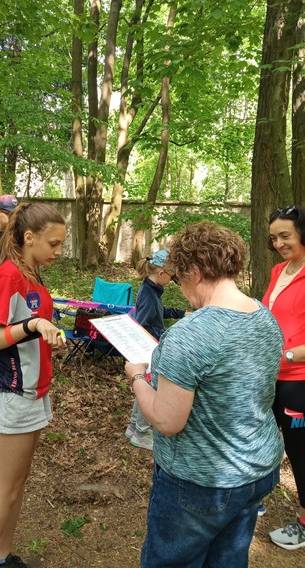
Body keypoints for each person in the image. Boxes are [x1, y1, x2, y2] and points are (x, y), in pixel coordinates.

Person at [125, 221, 284, 568]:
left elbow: (167, 421)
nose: (181, 288)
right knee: (228, 558)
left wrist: (137, 377)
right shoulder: (265, 316)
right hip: (257, 469)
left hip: (201, 483)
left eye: (180, 278)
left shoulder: (192, 333)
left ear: (194, 272)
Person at [0, 203, 66, 568]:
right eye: (53, 243)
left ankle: (1, 558)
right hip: (11, 395)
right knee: (3, 492)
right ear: (28, 237)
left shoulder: (32, 273)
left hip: (33, 392)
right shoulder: (9, 275)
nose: (57, 251)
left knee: (15, 486)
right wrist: (34, 326)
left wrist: (46, 328)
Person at [263, 206, 305, 550]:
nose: (278, 243)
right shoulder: (279, 270)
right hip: (270, 375)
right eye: (274, 237)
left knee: (300, 450)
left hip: (299, 381)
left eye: (285, 235)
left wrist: (289, 355)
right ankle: (253, 498)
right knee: (266, 440)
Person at [125, 249, 188, 451]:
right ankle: (142, 432)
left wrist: (180, 313)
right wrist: (161, 338)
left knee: (146, 387)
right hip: (149, 349)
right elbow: (141, 323)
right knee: (151, 389)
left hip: (152, 345)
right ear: (161, 273)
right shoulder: (148, 294)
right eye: (171, 277)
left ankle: (134, 427)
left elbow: (158, 313)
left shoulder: (151, 290)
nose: (171, 281)